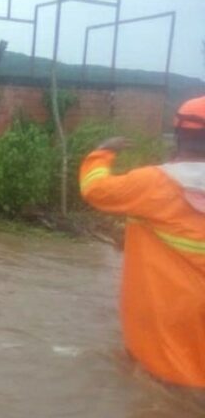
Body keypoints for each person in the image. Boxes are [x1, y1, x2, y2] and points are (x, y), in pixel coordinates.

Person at [79, 95, 205, 388]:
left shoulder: (152, 183)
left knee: (171, 387)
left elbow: (95, 189)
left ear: (178, 136)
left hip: (169, 311)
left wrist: (101, 154)